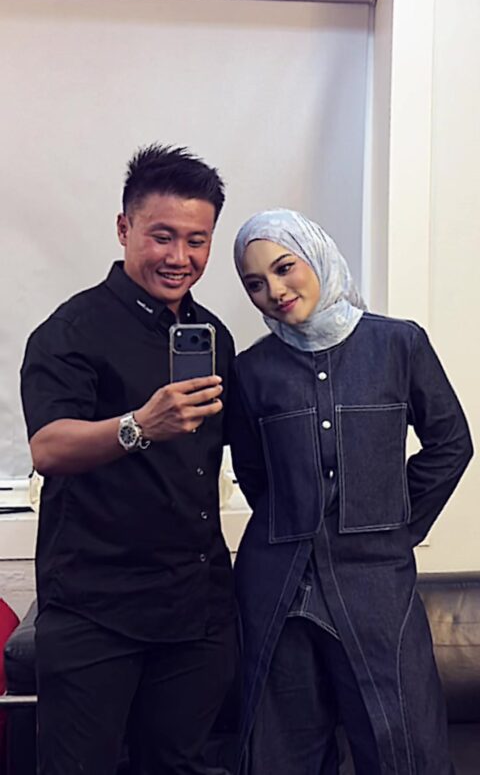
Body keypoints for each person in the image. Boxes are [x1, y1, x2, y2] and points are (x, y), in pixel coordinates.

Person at [229, 209, 473, 775]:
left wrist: (393, 524)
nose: (275, 291)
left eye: (284, 268)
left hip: (377, 587)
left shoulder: (399, 344)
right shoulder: (251, 371)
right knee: (282, 757)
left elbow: (451, 444)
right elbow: (256, 476)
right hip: (279, 594)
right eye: (255, 283)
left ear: (316, 257)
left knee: (404, 750)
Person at [20, 144, 237, 775]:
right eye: (162, 236)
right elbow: (48, 447)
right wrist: (140, 426)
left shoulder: (213, 337)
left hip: (196, 609)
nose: (179, 257)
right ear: (124, 228)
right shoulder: (71, 330)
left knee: (182, 765)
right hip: (95, 611)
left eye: (197, 240)